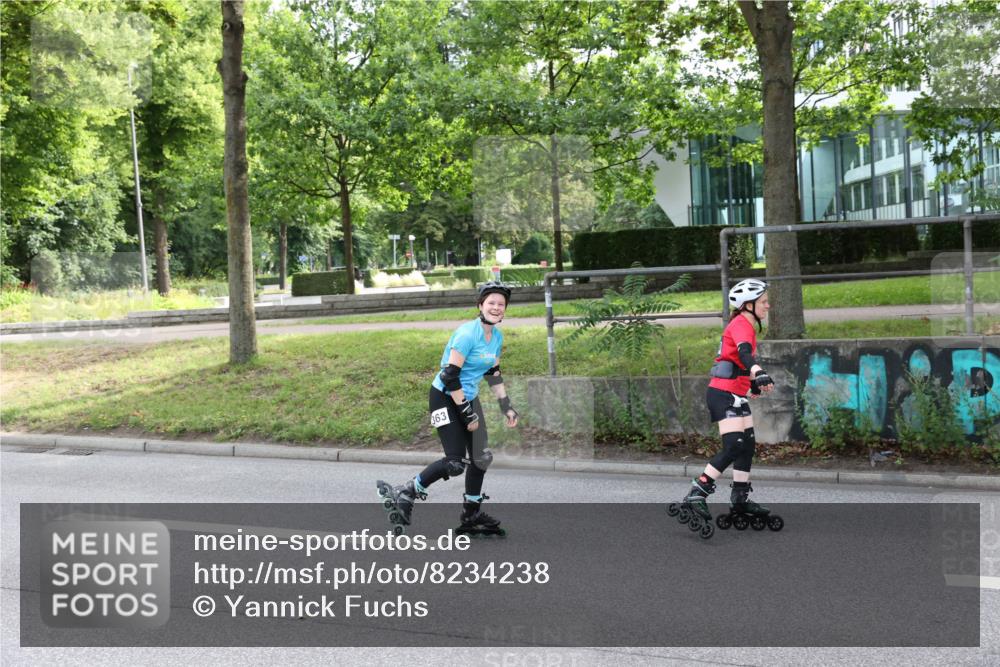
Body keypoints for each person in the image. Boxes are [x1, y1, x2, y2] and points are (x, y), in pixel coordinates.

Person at [377, 281, 519, 536]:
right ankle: (407, 491)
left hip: (468, 397)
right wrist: (466, 413)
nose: (496, 307)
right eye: (491, 302)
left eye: (501, 304)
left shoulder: (496, 337)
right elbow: (449, 376)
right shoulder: (467, 334)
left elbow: (493, 373)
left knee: (481, 457)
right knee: (455, 462)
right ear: (480, 305)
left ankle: (471, 513)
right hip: (443, 397)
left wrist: (506, 406)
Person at [668, 278, 783, 538]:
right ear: (748, 304)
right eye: (764, 302)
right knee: (733, 446)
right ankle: (698, 491)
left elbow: (737, 363)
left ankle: (740, 498)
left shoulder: (746, 325)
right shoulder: (741, 324)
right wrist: (759, 372)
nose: (768, 306)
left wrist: (753, 384)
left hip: (735, 394)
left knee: (747, 446)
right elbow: (744, 354)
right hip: (723, 394)